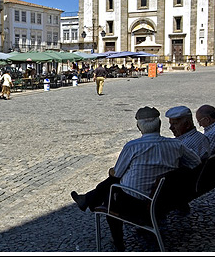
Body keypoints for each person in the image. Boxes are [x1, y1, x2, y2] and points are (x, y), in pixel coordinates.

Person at [70, 106, 201, 251]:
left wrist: (113, 172)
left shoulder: (132, 147)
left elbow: (116, 173)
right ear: (159, 125)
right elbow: (195, 162)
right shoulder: (177, 145)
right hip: (165, 199)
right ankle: (87, 199)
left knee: (112, 187)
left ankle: (115, 239)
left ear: (139, 127)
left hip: (137, 204)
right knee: (116, 183)